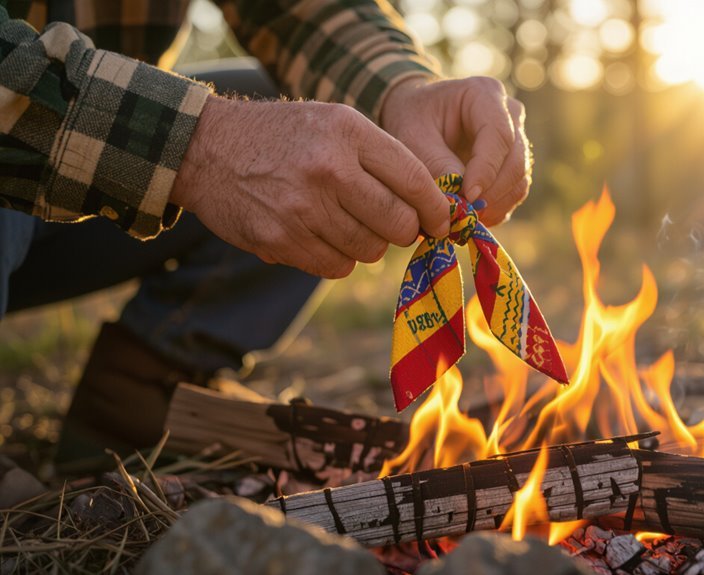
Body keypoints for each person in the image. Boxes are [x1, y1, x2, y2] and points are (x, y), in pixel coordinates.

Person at [0, 0, 531, 471]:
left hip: (82, 179)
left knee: (306, 114)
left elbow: (300, 12)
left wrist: (401, 90)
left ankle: (137, 395)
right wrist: (202, 146)